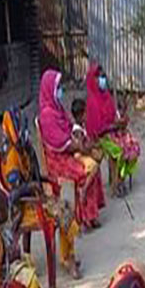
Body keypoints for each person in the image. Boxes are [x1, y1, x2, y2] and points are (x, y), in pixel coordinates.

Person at [0, 110, 82, 279]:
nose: (24, 130)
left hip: (35, 198)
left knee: (66, 206)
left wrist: (44, 181)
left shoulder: (23, 148)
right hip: (24, 206)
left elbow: (32, 173)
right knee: (64, 212)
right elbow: (14, 194)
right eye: (20, 126)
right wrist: (34, 187)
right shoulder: (11, 156)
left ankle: (68, 255)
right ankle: (68, 258)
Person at [38, 69, 105, 229]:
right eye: (58, 86)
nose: (60, 90)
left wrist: (81, 144)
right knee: (87, 170)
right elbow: (60, 142)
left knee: (94, 163)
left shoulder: (57, 109)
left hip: (67, 152)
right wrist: (80, 147)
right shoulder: (47, 115)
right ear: (50, 88)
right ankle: (84, 215)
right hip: (57, 159)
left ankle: (90, 214)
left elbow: (69, 130)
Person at [86, 63, 141, 197]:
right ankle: (117, 183)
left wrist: (121, 121)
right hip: (101, 137)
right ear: (93, 80)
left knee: (132, 145)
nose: (102, 80)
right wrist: (115, 126)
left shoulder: (106, 96)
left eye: (103, 76)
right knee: (119, 150)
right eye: (99, 77)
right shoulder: (92, 101)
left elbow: (113, 116)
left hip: (113, 131)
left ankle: (120, 177)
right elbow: (97, 129)